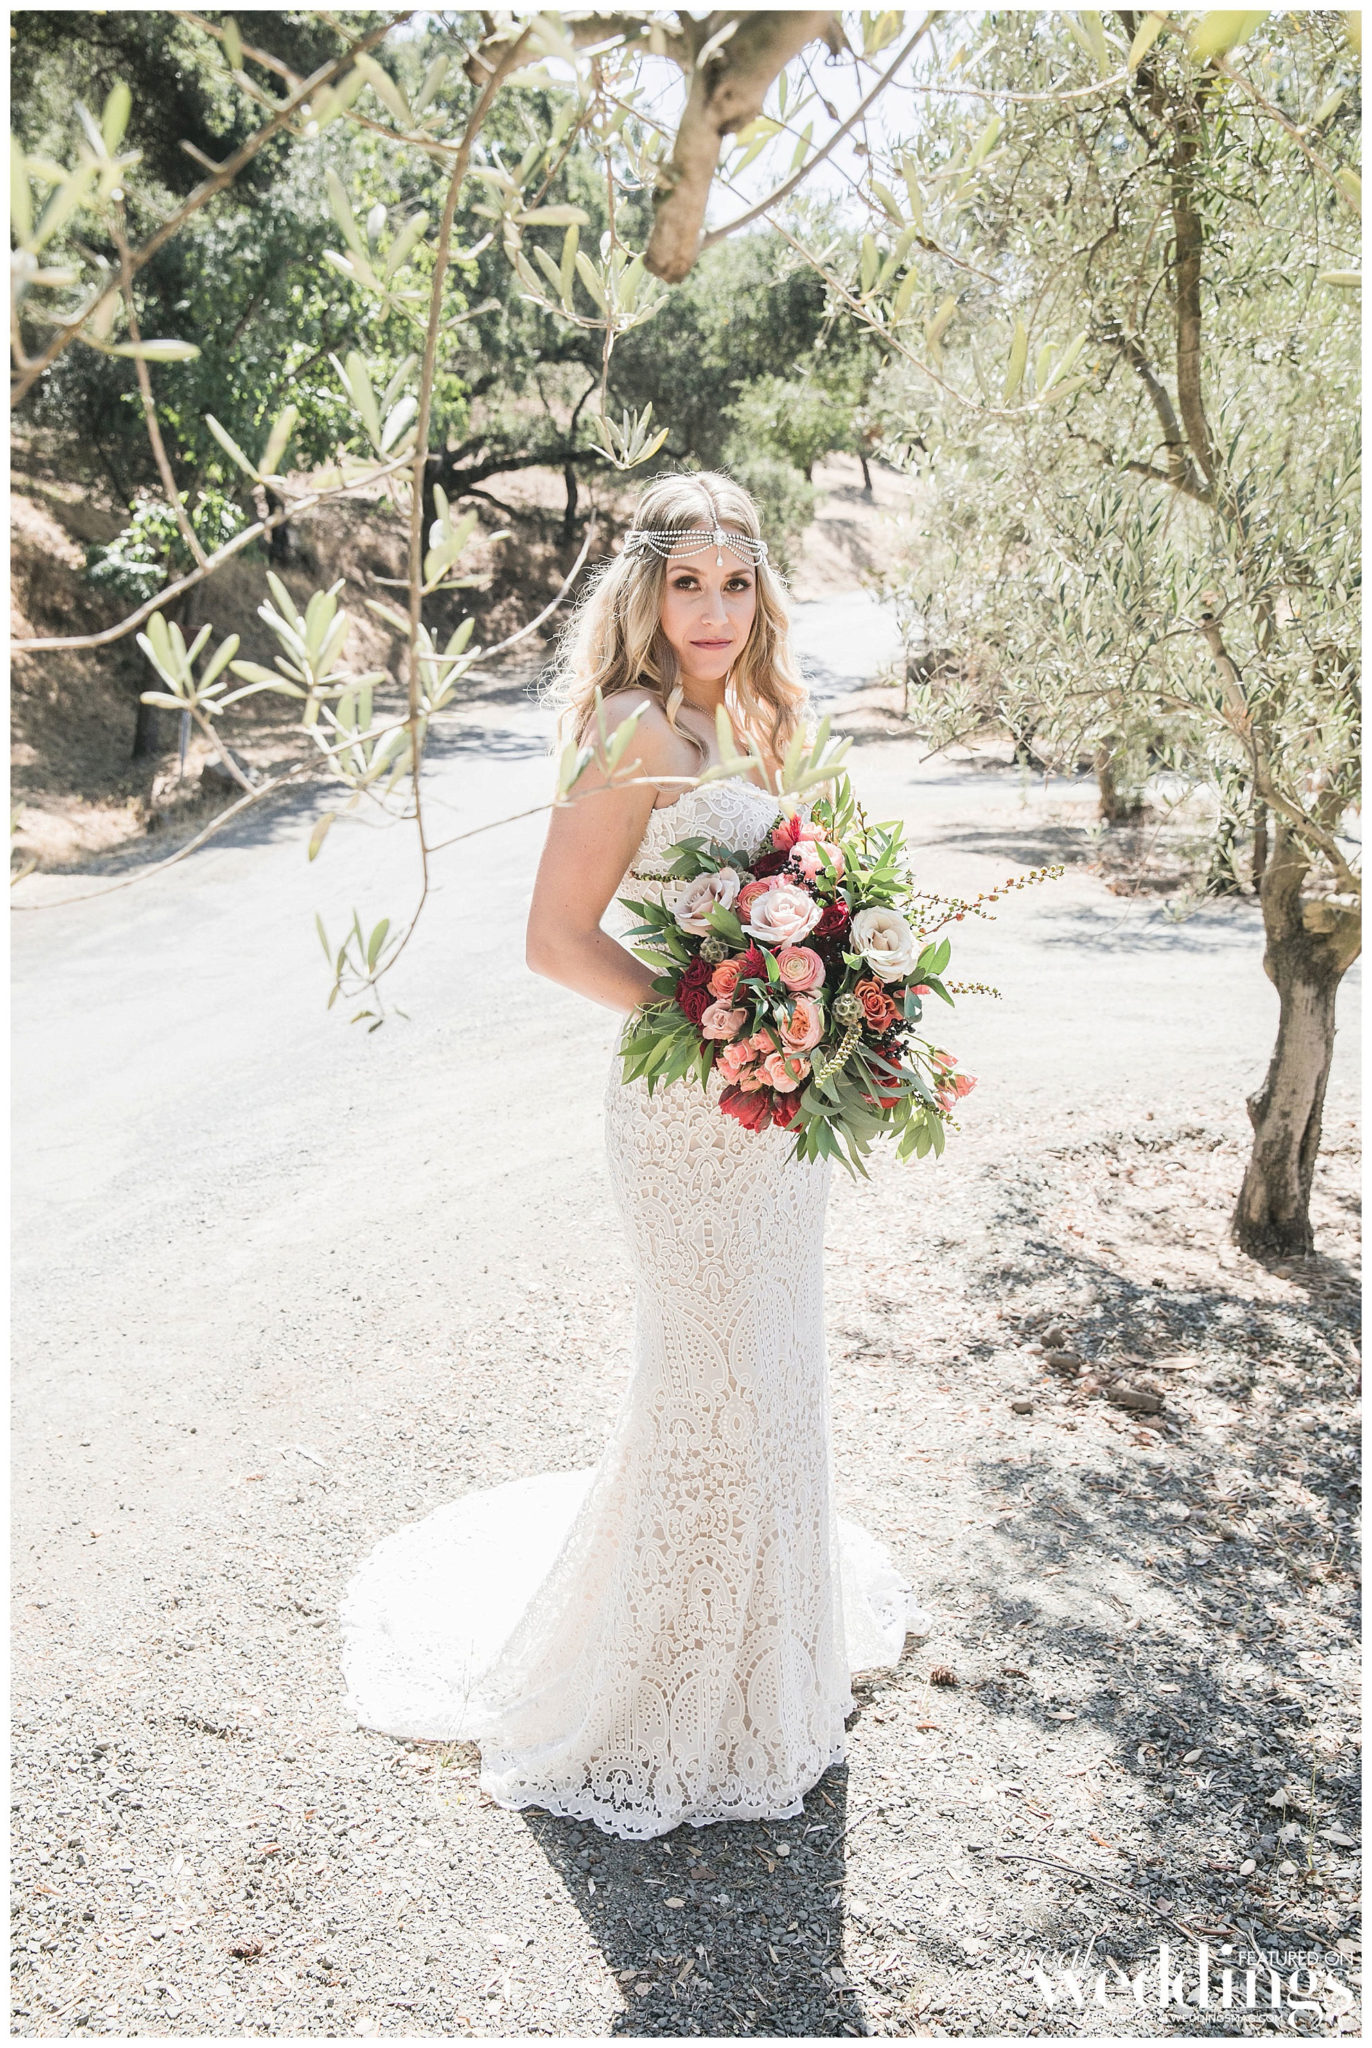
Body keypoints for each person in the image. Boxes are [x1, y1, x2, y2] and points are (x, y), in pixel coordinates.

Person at [340, 471, 930, 1841]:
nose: (714, 611)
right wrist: (721, 1021)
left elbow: (814, 896)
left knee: (777, 1374)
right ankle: (658, 1692)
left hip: (776, 1116)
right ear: (645, 595)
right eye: (687, 584)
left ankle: (765, 1671)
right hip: (683, 1115)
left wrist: (830, 1006)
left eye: (737, 583)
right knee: (711, 1378)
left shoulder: (766, 719)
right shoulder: (630, 728)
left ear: (762, 594)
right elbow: (554, 940)